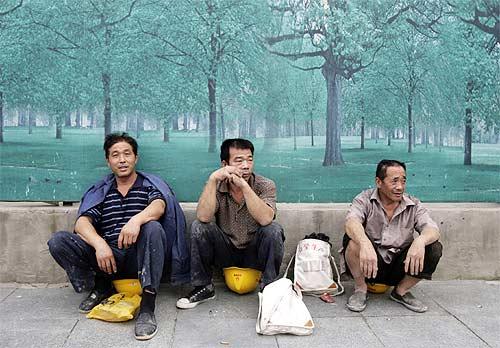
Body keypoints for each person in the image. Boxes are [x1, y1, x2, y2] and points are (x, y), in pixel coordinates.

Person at [48, 132, 189, 340]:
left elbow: (159, 206)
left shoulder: (148, 186)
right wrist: (100, 245)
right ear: (108, 161)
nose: (122, 160)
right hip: (107, 257)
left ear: (136, 158)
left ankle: (148, 307)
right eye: (115, 155)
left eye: (127, 154)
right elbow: (82, 223)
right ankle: (102, 285)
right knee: (59, 241)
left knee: (153, 228)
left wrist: (136, 221)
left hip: (138, 257)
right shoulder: (104, 191)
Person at [176, 138, 285, 309]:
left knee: (274, 229)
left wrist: (244, 186)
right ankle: (203, 287)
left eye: (249, 159)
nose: (246, 165)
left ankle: (269, 290)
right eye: (239, 160)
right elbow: (203, 217)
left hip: (254, 251)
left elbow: (266, 219)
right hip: (226, 251)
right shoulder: (217, 185)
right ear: (225, 164)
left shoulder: (265, 185)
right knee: (199, 227)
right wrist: (212, 180)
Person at [342, 159, 442, 313]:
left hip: (400, 265)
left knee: (434, 247)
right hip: (370, 265)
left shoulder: (413, 204)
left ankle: (400, 291)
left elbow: (432, 229)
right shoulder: (364, 199)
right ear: (379, 182)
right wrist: (365, 243)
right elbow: (351, 222)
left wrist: (420, 241)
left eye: (403, 181)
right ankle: (360, 289)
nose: (400, 187)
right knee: (353, 240)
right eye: (394, 181)